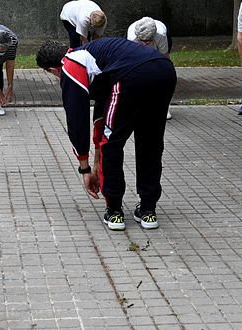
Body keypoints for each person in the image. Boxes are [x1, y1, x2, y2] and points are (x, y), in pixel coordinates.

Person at [37, 38, 176, 230]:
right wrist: (95, 161)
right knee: (150, 142)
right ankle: (148, 210)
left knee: (112, 145)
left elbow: (77, 119)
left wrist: (85, 169)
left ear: (53, 70)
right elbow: (102, 114)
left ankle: (115, 211)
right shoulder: (96, 56)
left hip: (131, 75)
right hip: (165, 70)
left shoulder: (70, 63)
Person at [127, 16, 174, 119]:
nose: (144, 44)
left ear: (153, 37)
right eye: (142, 41)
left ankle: (164, 107)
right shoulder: (132, 37)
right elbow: (133, 62)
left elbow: (165, 59)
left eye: (147, 41)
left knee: (161, 72)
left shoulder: (161, 35)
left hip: (160, 45)